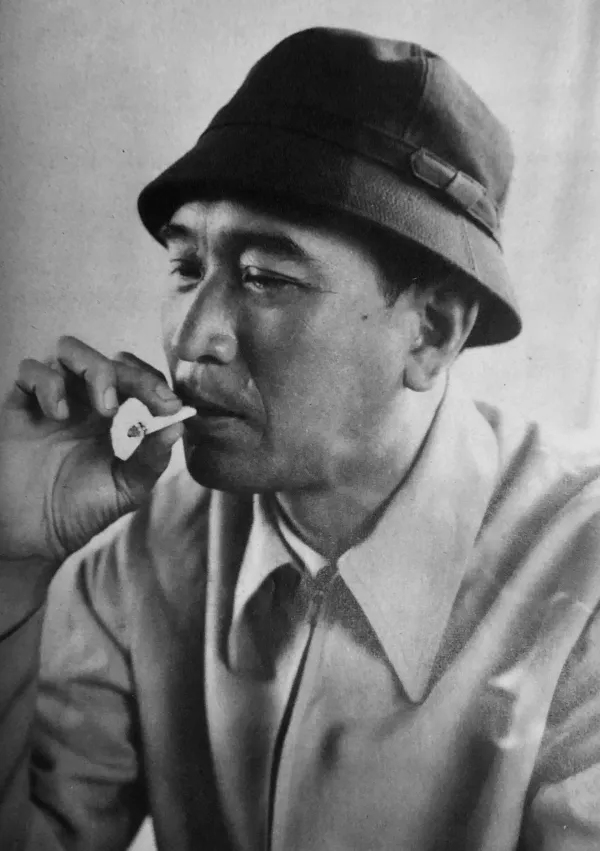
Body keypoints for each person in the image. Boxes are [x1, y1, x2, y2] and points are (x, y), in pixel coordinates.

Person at [1, 25, 600, 851]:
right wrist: (12, 562)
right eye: (186, 267)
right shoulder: (146, 553)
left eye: (265, 277)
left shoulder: (583, 586)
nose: (193, 338)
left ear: (431, 330)